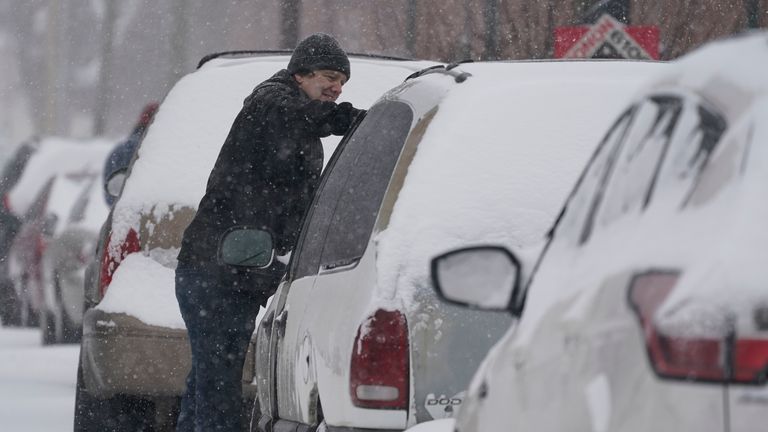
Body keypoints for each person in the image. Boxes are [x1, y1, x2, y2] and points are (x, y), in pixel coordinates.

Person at [174, 33, 365, 431]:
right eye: (329, 77)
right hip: (212, 270)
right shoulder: (269, 102)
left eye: (342, 82)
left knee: (208, 382)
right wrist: (359, 119)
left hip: (240, 270)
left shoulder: (296, 119)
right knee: (218, 388)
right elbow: (305, 117)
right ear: (299, 75)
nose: (336, 87)